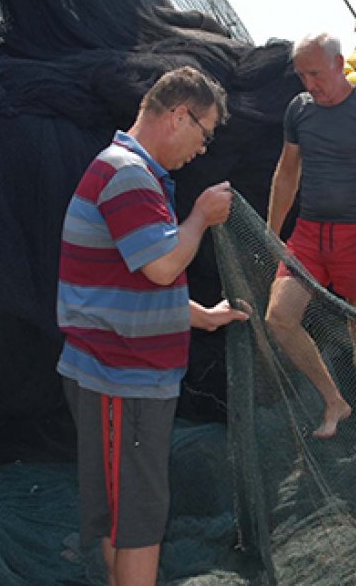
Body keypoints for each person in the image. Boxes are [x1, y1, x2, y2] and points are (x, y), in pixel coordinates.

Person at [56, 66, 249, 586]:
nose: (203, 149)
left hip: (121, 379)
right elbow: (163, 265)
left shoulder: (127, 171)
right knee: (137, 520)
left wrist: (202, 316)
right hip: (122, 379)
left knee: (124, 511)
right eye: (204, 133)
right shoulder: (128, 175)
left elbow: (130, 281)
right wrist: (200, 217)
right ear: (178, 115)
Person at [264, 33, 356, 442]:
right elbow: (287, 172)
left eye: (315, 73)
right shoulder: (298, 110)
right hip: (309, 234)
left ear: (338, 64)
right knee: (279, 317)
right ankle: (334, 400)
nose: (309, 83)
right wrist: (271, 233)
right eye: (302, 75)